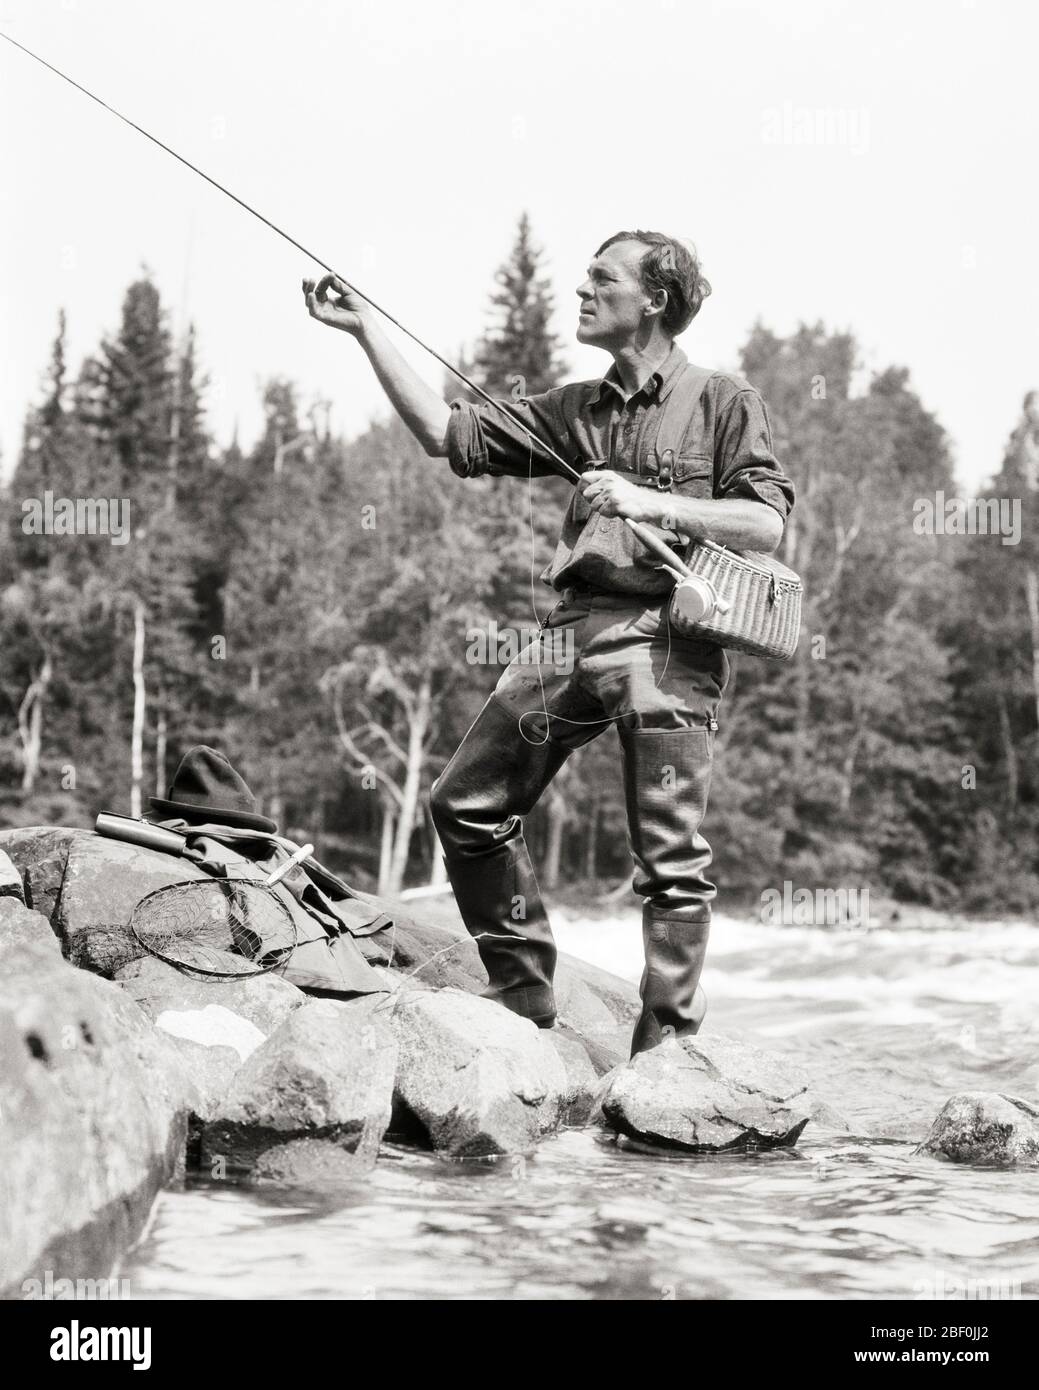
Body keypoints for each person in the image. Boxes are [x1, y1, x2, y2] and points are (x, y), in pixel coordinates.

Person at [302, 230, 795, 1055]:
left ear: (655, 300)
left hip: (668, 642)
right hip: (570, 637)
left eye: (601, 280)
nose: (581, 292)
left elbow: (766, 521)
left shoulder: (721, 398)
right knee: (465, 804)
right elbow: (445, 435)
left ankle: (665, 1046)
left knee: (670, 860)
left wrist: (652, 502)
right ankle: (523, 994)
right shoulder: (575, 410)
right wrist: (365, 330)